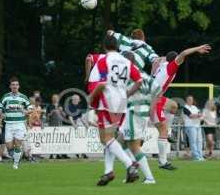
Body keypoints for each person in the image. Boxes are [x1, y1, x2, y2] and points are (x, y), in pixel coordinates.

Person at [88, 34, 142, 186]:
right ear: (118, 46)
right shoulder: (126, 61)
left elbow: (102, 84)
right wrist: (127, 93)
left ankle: (130, 164)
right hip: (122, 102)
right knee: (110, 138)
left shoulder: (104, 60)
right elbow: (139, 81)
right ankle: (108, 171)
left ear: (104, 47)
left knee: (105, 138)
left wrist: (91, 97)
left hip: (108, 101)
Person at [151, 44, 211, 169]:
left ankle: (167, 132)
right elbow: (183, 53)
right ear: (174, 60)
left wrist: (156, 60)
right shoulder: (171, 66)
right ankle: (162, 162)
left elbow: (159, 60)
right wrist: (197, 49)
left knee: (173, 106)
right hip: (153, 99)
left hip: (155, 96)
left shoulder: (162, 65)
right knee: (161, 131)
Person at [118, 51, 157, 184]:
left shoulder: (128, 74)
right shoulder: (145, 75)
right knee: (120, 141)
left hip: (134, 111)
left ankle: (149, 177)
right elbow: (157, 89)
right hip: (143, 111)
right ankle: (132, 170)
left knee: (134, 146)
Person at [0, 77, 32, 169]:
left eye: (16, 85)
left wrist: (26, 111)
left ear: (19, 86)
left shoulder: (23, 97)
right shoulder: (5, 96)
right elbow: (0, 107)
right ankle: (16, 155)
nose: (15, 86)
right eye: (13, 85)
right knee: (9, 147)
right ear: (10, 86)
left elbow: (30, 109)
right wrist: (1, 114)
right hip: (9, 124)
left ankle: (16, 164)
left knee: (18, 145)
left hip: (20, 124)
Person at [46, 94, 69, 159]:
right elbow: (47, 117)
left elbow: (65, 115)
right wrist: (51, 112)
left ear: (58, 99)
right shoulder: (49, 106)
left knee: (60, 140)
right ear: (52, 99)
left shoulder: (60, 106)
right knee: (52, 140)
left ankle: (59, 154)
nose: (55, 99)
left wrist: (61, 111)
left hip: (60, 125)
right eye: (54, 98)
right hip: (52, 125)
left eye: (56, 98)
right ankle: (51, 154)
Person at [183, 95, 204, 161]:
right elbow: (191, 116)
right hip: (190, 126)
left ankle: (200, 156)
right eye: (189, 99)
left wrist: (197, 115)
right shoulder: (185, 107)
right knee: (193, 141)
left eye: (192, 99)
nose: (191, 101)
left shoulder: (195, 107)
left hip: (197, 125)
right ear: (187, 100)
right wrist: (198, 115)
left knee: (199, 141)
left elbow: (200, 114)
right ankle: (196, 156)